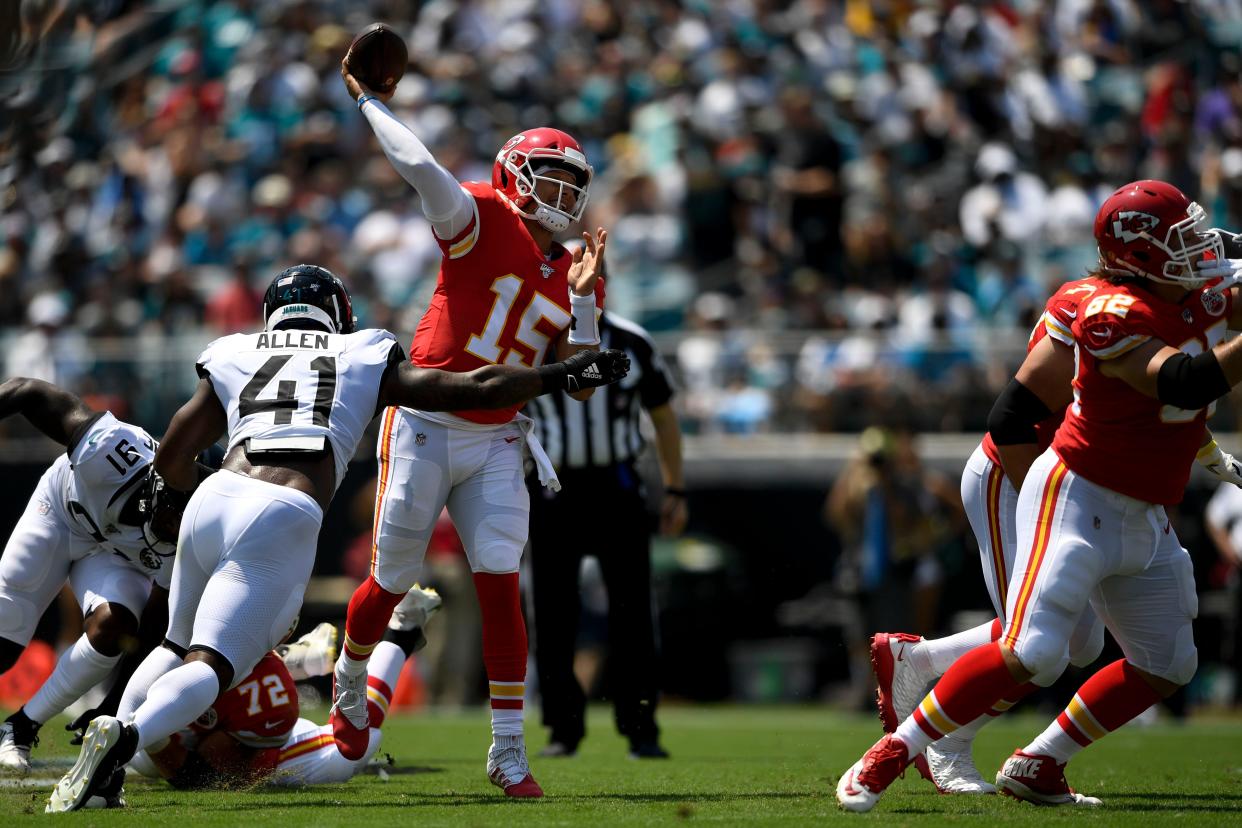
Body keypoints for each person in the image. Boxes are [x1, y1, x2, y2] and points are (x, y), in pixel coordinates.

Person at [46, 264, 628, 812]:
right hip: (283, 506)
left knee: (173, 647)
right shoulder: (362, 349)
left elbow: (174, 447)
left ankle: (115, 740)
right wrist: (563, 373)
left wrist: (189, 495)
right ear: (337, 313)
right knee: (210, 664)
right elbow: (472, 390)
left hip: (215, 494)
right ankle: (123, 737)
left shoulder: (235, 349)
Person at [837, 180, 1242, 811]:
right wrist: (1053, 507)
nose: (1202, 247)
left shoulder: (1194, 289)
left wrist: (1202, 450)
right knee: (1038, 647)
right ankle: (913, 745)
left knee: (1158, 659)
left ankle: (1034, 758)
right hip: (1046, 477)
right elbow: (1171, 387)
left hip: (1139, 502)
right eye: (1180, 239)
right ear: (1140, 257)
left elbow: (1177, 393)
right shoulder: (1108, 312)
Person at [333, 60, 607, 799]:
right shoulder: (479, 214)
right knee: (390, 579)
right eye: (550, 177)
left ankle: (509, 748)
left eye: (572, 182)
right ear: (515, 175)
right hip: (426, 418)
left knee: (499, 586)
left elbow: (578, 382)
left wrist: (583, 307)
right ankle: (351, 674)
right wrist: (366, 100)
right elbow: (419, 165)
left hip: (497, 435)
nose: (565, 195)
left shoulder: (580, 268)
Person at [0, 379, 187, 773]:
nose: (177, 523)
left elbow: (152, 634)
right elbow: (29, 392)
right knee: (6, 633)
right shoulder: (109, 450)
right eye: (175, 509)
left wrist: (113, 705)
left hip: (112, 554)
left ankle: (19, 727)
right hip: (60, 512)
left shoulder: (189, 537)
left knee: (115, 626)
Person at [526, 312, 686, 759]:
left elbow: (663, 413)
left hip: (617, 486)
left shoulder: (633, 340)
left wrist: (675, 487)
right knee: (553, 612)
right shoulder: (536, 336)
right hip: (554, 485)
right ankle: (562, 727)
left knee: (632, 610)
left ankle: (641, 727)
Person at [126, 589, 439, 795]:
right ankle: (298, 658)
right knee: (139, 750)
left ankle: (400, 634)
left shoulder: (267, 690)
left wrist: (159, 743)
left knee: (354, 746)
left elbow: (207, 774)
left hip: (249, 755)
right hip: (198, 728)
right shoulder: (181, 642)